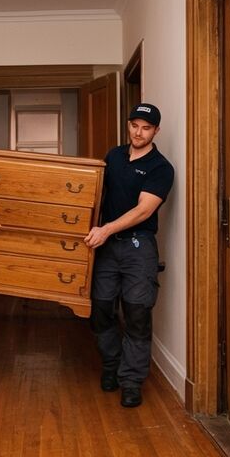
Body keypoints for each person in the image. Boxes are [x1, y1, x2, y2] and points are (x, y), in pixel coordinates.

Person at [84, 102, 175, 408]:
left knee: (137, 314)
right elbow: (95, 193)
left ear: (156, 131)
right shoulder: (114, 156)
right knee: (101, 309)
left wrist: (106, 229)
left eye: (146, 128)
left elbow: (144, 209)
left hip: (139, 247)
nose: (139, 132)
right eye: (134, 125)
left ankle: (132, 381)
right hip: (106, 247)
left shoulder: (161, 168)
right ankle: (111, 365)